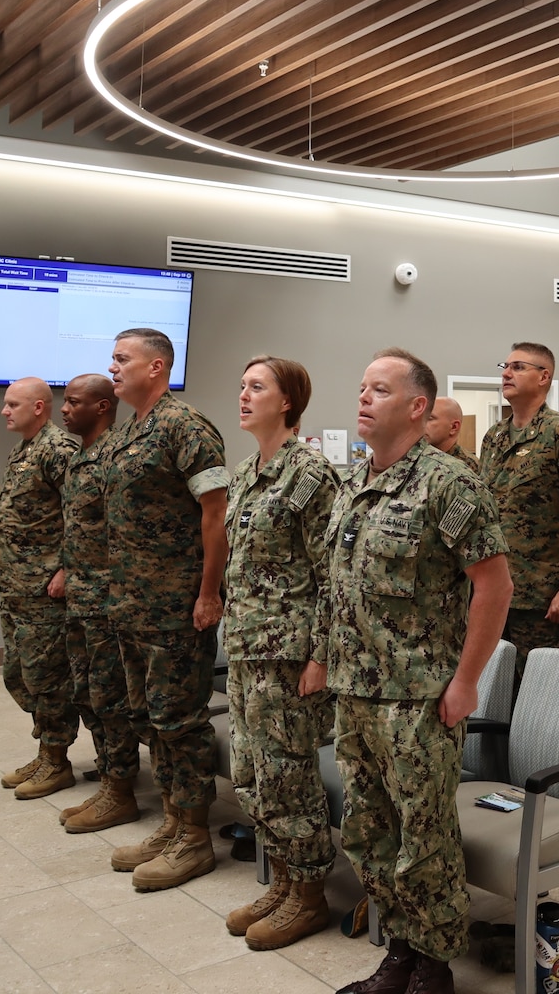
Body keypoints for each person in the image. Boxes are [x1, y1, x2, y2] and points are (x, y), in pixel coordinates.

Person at [319, 348, 512, 994]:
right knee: (370, 831)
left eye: (380, 388)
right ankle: (399, 951)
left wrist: (466, 680)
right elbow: (338, 582)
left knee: (423, 839)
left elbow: (494, 586)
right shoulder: (355, 480)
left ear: (417, 405)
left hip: (419, 697)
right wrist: (324, 659)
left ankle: (433, 966)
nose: (364, 398)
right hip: (357, 693)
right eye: (363, 386)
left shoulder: (449, 483)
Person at [101, 328, 230, 890]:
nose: (113, 367)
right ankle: (175, 821)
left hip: (176, 605)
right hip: (134, 605)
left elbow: (216, 515)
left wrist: (208, 591)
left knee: (180, 721)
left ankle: (196, 838)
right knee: (151, 718)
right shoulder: (132, 429)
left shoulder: (185, 426)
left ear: (156, 367)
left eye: (122, 358)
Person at [221, 356, 340, 950]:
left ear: (287, 401)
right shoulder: (246, 473)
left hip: (289, 656)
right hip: (246, 649)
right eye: (242, 386)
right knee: (252, 775)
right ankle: (285, 878)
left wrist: (320, 658)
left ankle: (310, 895)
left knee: (289, 777)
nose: (244, 395)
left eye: (257, 387)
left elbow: (333, 576)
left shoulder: (310, 474)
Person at [48, 373, 141, 833]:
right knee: (87, 694)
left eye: (73, 402)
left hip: (108, 601)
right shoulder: (78, 457)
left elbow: (125, 532)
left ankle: (121, 790)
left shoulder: (114, 457)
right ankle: (108, 778)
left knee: (111, 699)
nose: (63, 409)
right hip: (81, 599)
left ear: (102, 407)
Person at [478, 343, 559, 683]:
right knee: (493, 694)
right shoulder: (494, 438)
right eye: (505, 365)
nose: (506, 373)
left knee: (539, 698)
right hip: (494, 592)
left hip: (541, 599)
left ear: (544, 377)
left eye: (518, 367)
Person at [0, 377, 78, 799]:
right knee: (19, 674)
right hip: (17, 587)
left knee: (48, 678)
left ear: (40, 407)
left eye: (13, 404)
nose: (5, 411)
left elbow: (82, 514)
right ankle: (47, 748)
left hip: (45, 589)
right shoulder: (24, 450)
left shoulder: (58, 451)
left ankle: (56, 759)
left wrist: (67, 569)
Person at [424, 396, 478, 472]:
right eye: (422, 418)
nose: (422, 424)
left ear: (454, 427)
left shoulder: (468, 466)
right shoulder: (420, 456)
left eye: (430, 418)